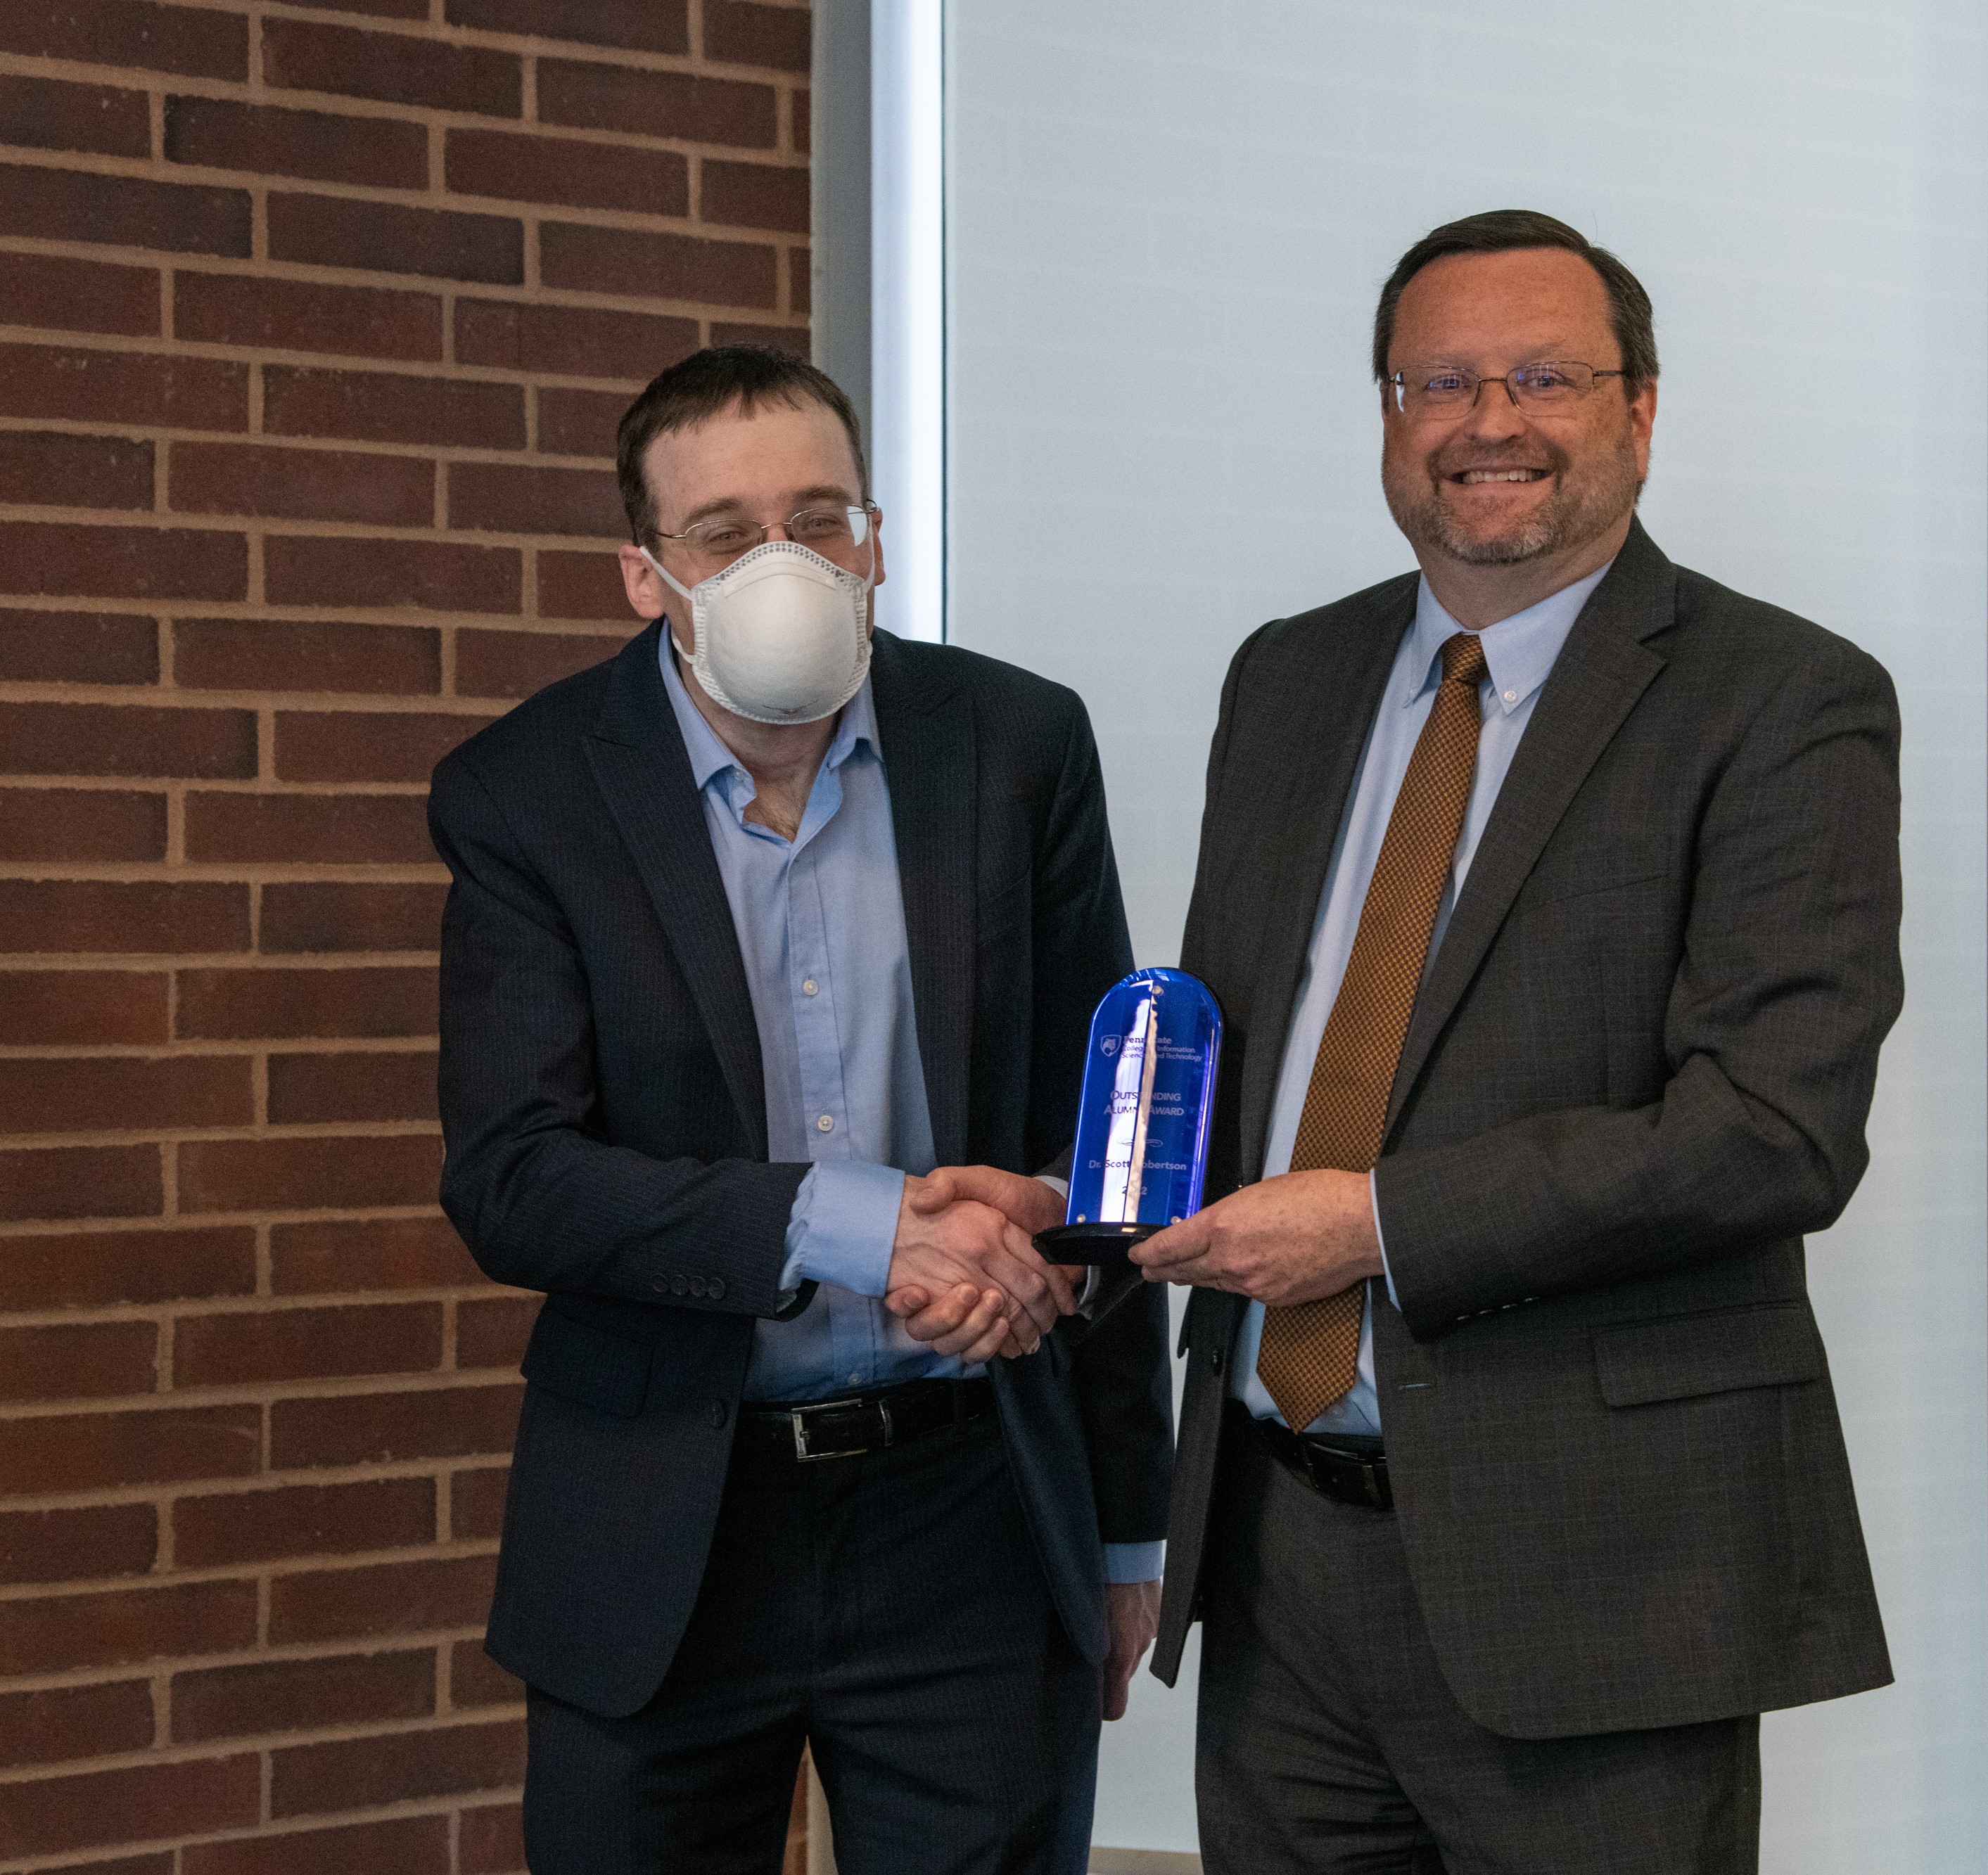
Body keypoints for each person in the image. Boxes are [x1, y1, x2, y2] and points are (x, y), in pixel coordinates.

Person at [1137, 212, 1904, 1873]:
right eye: (1438, 382)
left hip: (1597, 1577)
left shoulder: (1782, 698)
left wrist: (1373, 1223)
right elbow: (1241, 1051)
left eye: (1544, 376)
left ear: (1639, 412)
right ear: (1388, 416)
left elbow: (1772, 1124)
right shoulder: (1287, 678)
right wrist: (1091, 1190)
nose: (1488, 421)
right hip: (1275, 1557)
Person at [428, 345, 1170, 1875]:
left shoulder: (1014, 747)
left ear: (876, 542)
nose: (783, 562)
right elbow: (515, 1181)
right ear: (645, 576)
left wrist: (1121, 1529)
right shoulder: (528, 793)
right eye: (722, 532)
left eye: (820, 516)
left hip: (971, 1514)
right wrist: (872, 1225)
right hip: (665, 1532)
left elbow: (1105, 1144)